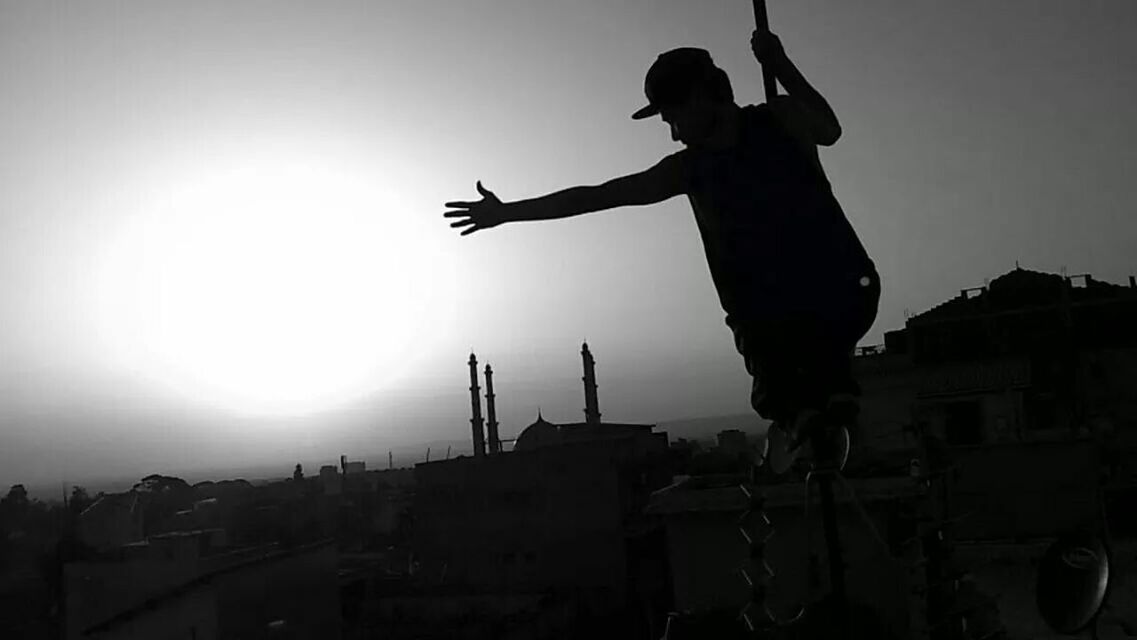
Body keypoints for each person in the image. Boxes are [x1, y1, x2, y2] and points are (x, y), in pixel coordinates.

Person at [444, 30, 880, 444]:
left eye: (672, 116)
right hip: (822, 302)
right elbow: (596, 197)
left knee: (777, 356)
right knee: (788, 357)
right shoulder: (710, 158)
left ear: (697, 97)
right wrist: (508, 213)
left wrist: (780, 63)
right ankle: (818, 406)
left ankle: (806, 411)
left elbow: (829, 130)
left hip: (822, 296)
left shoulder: (767, 127)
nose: (673, 131)